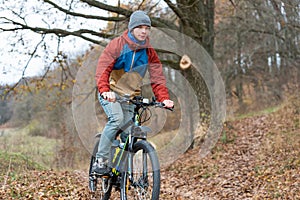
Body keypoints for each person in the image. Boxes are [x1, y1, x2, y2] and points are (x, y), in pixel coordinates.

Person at [92, 10, 174, 175]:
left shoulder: (149, 52)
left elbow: (157, 77)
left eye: (147, 28)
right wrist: (105, 90)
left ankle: (122, 172)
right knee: (117, 119)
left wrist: (164, 99)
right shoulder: (117, 45)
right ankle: (100, 160)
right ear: (131, 28)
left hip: (130, 97)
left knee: (129, 134)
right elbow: (102, 70)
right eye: (140, 27)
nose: (144, 31)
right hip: (111, 92)